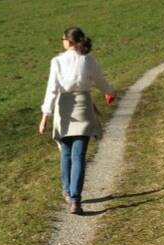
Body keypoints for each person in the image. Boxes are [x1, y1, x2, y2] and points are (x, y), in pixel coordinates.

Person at [38, 26, 116, 215]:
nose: (62, 42)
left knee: (66, 153)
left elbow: (52, 89)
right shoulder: (88, 59)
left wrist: (45, 116)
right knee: (78, 155)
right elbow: (100, 80)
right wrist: (110, 92)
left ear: (69, 41)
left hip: (64, 110)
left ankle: (67, 191)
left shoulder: (57, 61)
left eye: (63, 39)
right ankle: (75, 199)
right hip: (83, 108)